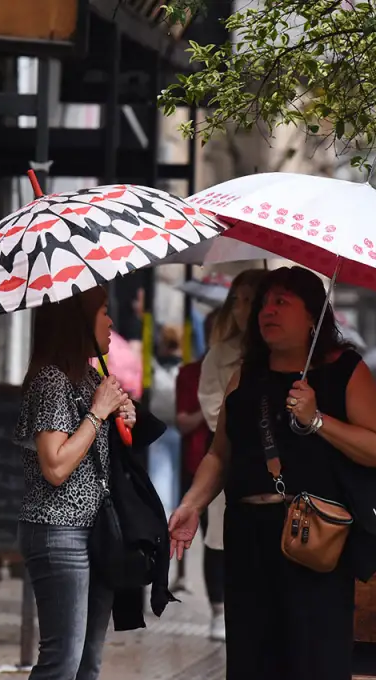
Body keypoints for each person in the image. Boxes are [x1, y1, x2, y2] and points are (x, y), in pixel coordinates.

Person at [169, 266, 376, 680]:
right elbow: (220, 454)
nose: (266, 311)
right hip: (248, 535)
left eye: (282, 302)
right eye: (264, 303)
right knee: (251, 659)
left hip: (312, 539)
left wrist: (318, 419)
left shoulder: (345, 370)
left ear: (312, 317)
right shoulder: (245, 375)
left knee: (311, 660)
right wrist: (191, 505)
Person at [13, 285, 172, 680]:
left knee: (88, 662)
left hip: (96, 529)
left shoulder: (89, 376)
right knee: (62, 660)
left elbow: (101, 457)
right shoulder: (51, 381)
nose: (112, 320)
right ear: (77, 320)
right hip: (58, 529)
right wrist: (98, 413)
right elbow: (55, 465)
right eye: (102, 311)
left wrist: (123, 419)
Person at [193, 268, 266, 641]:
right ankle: (219, 609)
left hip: (277, 474)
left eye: (250, 300)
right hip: (233, 462)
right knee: (218, 538)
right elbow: (213, 411)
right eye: (235, 300)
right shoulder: (220, 355)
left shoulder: (284, 355)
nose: (241, 309)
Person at [171, 310, 224, 633]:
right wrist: (213, 409)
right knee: (210, 538)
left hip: (236, 468)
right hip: (197, 462)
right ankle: (217, 608)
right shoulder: (190, 374)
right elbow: (183, 421)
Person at [147, 325, 183, 523]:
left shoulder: (159, 367)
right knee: (166, 480)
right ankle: (167, 519)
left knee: (166, 479)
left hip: (169, 428)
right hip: (167, 427)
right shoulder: (176, 367)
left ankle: (166, 517)